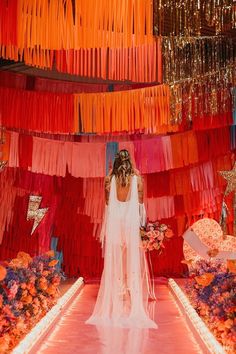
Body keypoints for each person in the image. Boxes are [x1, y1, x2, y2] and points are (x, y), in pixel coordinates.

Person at [86, 150, 157, 328]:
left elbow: (108, 204)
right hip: (131, 223)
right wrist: (141, 226)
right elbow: (141, 204)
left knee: (114, 261)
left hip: (115, 223)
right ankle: (131, 303)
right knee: (132, 261)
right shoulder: (137, 180)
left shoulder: (109, 180)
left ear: (115, 162)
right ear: (130, 162)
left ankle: (115, 300)